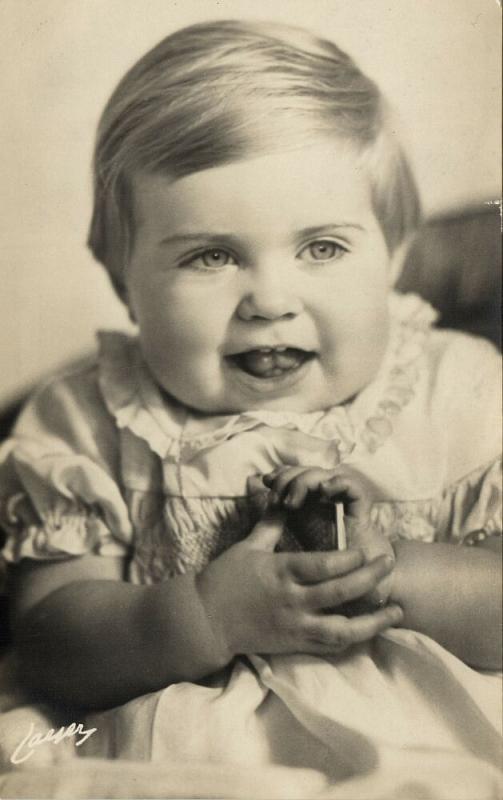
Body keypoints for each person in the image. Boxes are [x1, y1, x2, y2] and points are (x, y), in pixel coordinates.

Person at [0, 19, 501, 798]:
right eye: (212, 255)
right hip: (181, 761)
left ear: (395, 253)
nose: (269, 301)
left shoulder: (461, 388)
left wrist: (392, 573)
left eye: (322, 249)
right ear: (119, 273)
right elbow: (48, 641)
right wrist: (203, 618)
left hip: (431, 748)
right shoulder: (85, 418)